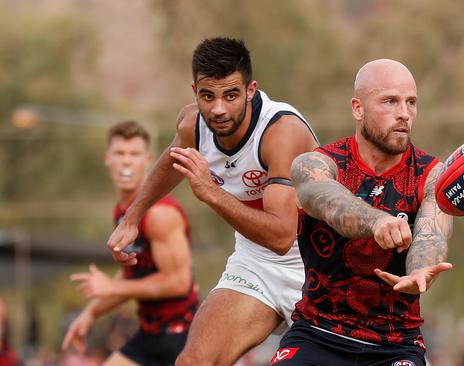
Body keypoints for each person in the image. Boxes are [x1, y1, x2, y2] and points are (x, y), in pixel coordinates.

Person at [106, 37, 319, 365]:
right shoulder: (193, 125)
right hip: (255, 264)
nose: (218, 109)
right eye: (208, 96)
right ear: (195, 92)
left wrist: (211, 193)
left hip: (317, 267)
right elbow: (173, 160)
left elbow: (281, 236)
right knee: (193, 362)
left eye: (230, 95)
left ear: (250, 90)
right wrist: (132, 216)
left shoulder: (280, 132)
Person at [271, 59, 453, 366]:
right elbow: (323, 198)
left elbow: (431, 233)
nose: (404, 114)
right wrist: (377, 220)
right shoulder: (317, 163)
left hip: (396, 344)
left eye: (411, 103)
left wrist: (421, 269)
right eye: (390, 101)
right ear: (358, 108)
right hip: (317, 333)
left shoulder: (432, 174)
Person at [62, 121, 198, 366]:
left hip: (183, 337)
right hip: (150, 335)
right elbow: (132, 275)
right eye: (120, 153)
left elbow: (178, 282)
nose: (126, 161)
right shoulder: (123, 213)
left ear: (148, 160)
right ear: (107, 159)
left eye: (134, 154)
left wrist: (111, 288)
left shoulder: (160, 213)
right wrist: (90, 313)